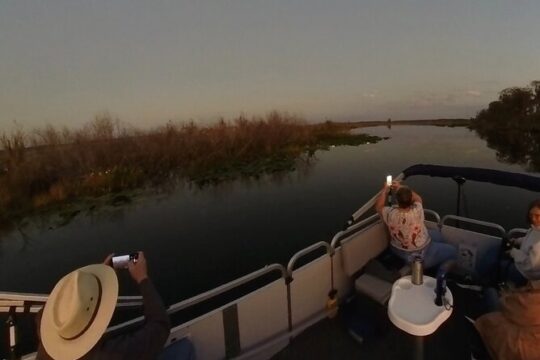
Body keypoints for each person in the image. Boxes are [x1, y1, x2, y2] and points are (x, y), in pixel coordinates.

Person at [35, 251, 171, 360]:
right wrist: (142, 278)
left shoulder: (47, 324)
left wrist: (96, 284)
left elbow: (43, 313)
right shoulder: (110, 355)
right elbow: (160, 326)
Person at [375, 180, 456, 270]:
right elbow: (418, 198)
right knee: (453, 251)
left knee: (438, 235)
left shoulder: (390, 213)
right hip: (421, 252)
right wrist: (400, 186)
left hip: (397, 249)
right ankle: (440, 277)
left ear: (397, 201)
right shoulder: (417, 209)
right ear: (410, 200)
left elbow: (379, 206)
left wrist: (385, 189)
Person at [473, 280, 540, 360]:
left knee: (490, 291)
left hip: (511, 347)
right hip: (520, 344)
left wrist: (507, 295)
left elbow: (509, 306)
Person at [503, 199, 540, 287]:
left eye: (538, 215)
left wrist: (513, 252)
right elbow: (529, 239)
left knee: (499, 266)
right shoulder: (536, 229)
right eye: (531, 215)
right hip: (522, 264)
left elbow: (531, 265)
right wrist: (517, 241)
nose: (533, 219)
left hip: (525, 273)